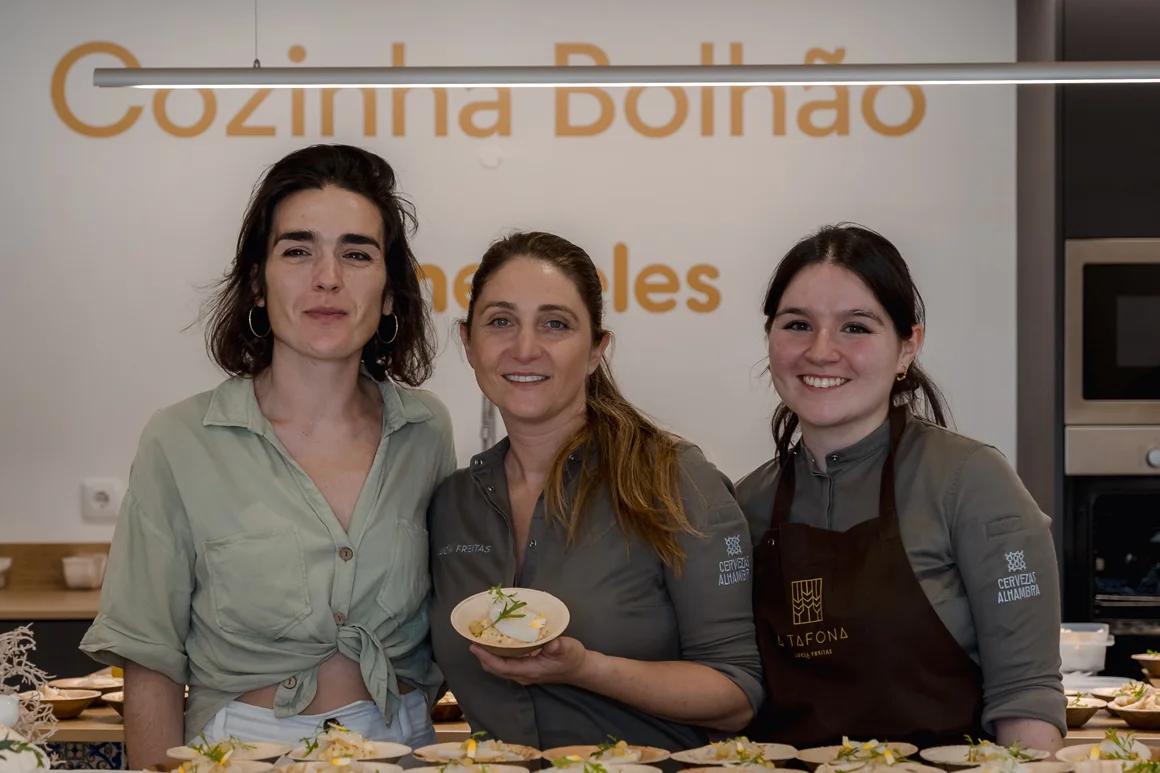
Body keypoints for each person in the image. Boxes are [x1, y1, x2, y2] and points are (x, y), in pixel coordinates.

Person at [80, 145, 455, 768]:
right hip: (239, 752)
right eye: (298, 250)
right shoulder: (180, 439)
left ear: (390, 293)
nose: (327, 278)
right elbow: (149, 657)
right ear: (257, 282)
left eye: (357, 254)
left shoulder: (426, 431)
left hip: (402, 746)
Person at [428, 231, 763, 750]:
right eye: (501, 322)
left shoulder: (674, 481)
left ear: (595, 351)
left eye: (555, 324)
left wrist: (587, 669)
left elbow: (737, 695)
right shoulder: (451, 503)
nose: (524, 348)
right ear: (469, 344)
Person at [737, 224, 1065, 750]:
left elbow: (1026, 699)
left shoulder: (971, 482)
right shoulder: (746, 504)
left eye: (856, 327)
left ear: (907, 347)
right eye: (798, 324)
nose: (821, 351)